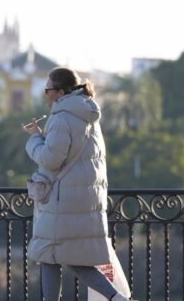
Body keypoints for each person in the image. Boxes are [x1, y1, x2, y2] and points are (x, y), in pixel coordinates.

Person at [22, 67, 133, 301]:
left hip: (62, 200)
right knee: (55, 255)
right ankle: (116, 298)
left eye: (48, 89)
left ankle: (115, 297)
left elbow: (50, 159)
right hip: (83, 199)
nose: (46, 94)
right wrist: (44, 136)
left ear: (60, 92)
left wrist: (34, 138)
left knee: (56, 254)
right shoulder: (87, 113)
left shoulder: (61, 117)